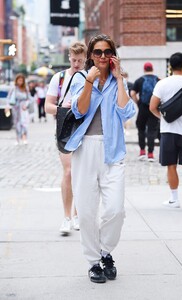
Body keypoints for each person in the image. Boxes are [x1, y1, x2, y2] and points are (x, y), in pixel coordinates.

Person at [65, 34, 135, 283]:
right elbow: (79, 110)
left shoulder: (119, 82)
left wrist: (119, 80)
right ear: (90, 55)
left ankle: (105, 251)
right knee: (85, 211)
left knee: (116, 209)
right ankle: (94, 262)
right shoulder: (82, 78)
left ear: (113, 55)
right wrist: (89, 83)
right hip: (86, 149)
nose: (102, 56)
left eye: (107, 52)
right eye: (97, 52)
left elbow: (127, 112)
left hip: (112, 150)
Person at [45, 41, 87, 234]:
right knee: (69, 172)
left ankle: (78, 215)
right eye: (73, 60)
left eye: (80, 60)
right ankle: (66, 217)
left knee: (82, 174)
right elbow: (48, 106)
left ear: (86, 59)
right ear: (69, 57)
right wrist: (65, 108)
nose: (76, 64)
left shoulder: (89, 77)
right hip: (65, 129)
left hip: (85, 129)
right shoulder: (59, 78)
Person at [150, 52, 182, 211]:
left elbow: (152, 106)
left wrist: (162, 117)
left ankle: (174, 199)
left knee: (171, 165)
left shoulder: (162, 84)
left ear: (170, 66)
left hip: (168, 131)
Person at [131, 62, 159, 162]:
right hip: (154, 108)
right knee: (152, 130)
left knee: (141, 129)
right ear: (152, 69)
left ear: (144, 69)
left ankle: (142, 152)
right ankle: (150, 154)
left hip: (143, 108)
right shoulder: (157, 80)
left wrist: (138, 102)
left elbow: (132, 93)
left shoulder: (139, 80)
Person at [8, 73, 29, 145]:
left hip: (23, 108)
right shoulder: (13, 88)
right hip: (15, 108)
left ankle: (24, 137)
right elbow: (9, 98)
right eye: (19, 80)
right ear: (16, 80)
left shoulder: (25, 88)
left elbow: (29, 99)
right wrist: (7, 107)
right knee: (16, 123)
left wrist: (26, 105)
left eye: (21, 80)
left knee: (24, 123)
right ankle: (17, 138)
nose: (20, 82)